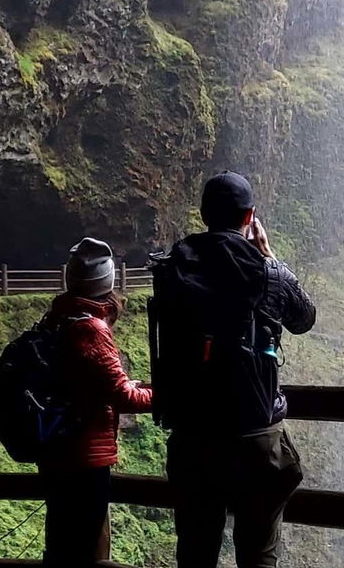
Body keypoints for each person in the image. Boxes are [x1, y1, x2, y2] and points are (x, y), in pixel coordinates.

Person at [152, 171, 316, 568]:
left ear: (204, 213)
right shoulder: (267, 272)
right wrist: (268, 255)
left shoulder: (172, 269)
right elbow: (304, 318)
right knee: (258, 552)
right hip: (256, 438)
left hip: (193, 436)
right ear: (251, 217)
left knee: (195, 551)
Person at [38, 237, 152, 565]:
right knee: (85, 547)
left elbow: (92, 379)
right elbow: (122, 394)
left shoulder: (57, 318)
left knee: (61, 540)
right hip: (85, 455)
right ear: (106, 284)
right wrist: (168, 396)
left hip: (57, 450)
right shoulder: (90, 328)